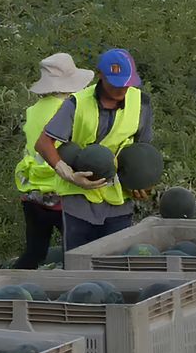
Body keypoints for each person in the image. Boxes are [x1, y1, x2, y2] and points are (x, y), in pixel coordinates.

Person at [33, 48, 153, 250]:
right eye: (115, 84)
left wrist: (144, 181)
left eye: (126, 83)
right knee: (78, 263)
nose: (121, 89)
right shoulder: (76, 103)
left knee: (115, 264)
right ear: (100, 76)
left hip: (118, 200)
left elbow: (144, 149)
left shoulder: (142, 103)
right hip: (79, 201)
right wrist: (68, 174)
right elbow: (43, 143)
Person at [12, 53, 95, 268]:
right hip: (61, 191)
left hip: (32, 192)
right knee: (77, 252)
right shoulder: (70, 110)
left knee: (35, 251)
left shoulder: (33, 110)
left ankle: (10, 286)